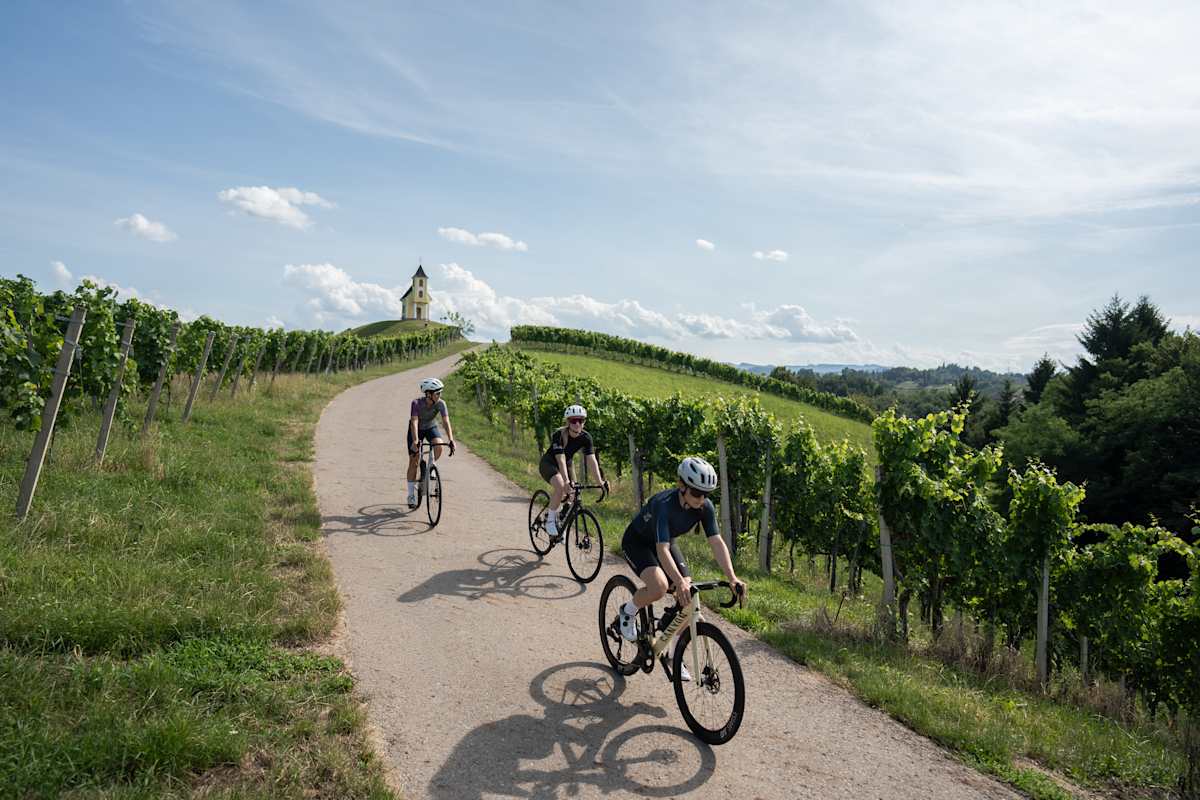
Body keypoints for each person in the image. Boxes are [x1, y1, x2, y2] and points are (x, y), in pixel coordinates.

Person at [618, 456, 747, 678]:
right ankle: (628, 612)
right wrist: (677, 581)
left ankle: (670, 651)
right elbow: (661, 550)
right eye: (696, 493)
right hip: (638, 542)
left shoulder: (704, 507)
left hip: (666, 545)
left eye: (706, 494)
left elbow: (716, 542)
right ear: (681, 486)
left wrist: (733, 577)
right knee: (659, 587)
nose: (701, 498)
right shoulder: (664, 505)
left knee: (689, 594)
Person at [538, 404, 607, 540]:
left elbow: (592, 461)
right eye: (573, 421)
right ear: (567, 422)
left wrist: (600, 482)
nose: (577, 424)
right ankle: (550, 521)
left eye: (580, 421)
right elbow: (561, 459)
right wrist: (566, 481)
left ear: (584, 422)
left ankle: (561, 520)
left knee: (573, 495)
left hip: (568, 464)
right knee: (560, 486)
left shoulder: (586, 437)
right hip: (549, 463)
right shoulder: (559, 434)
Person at [407, 377, 455, 508]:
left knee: (439, 446)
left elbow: (446, 421)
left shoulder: (441, 404)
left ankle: (431, 467)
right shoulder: (416, 403)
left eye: (440, 392)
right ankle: (411, 494)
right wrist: (416, 440)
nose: (440, 395)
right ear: (428, 394)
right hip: (416, 430)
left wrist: (451, 439)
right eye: (437, 393)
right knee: (414, 461)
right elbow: (414, 422)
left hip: (430, 427)